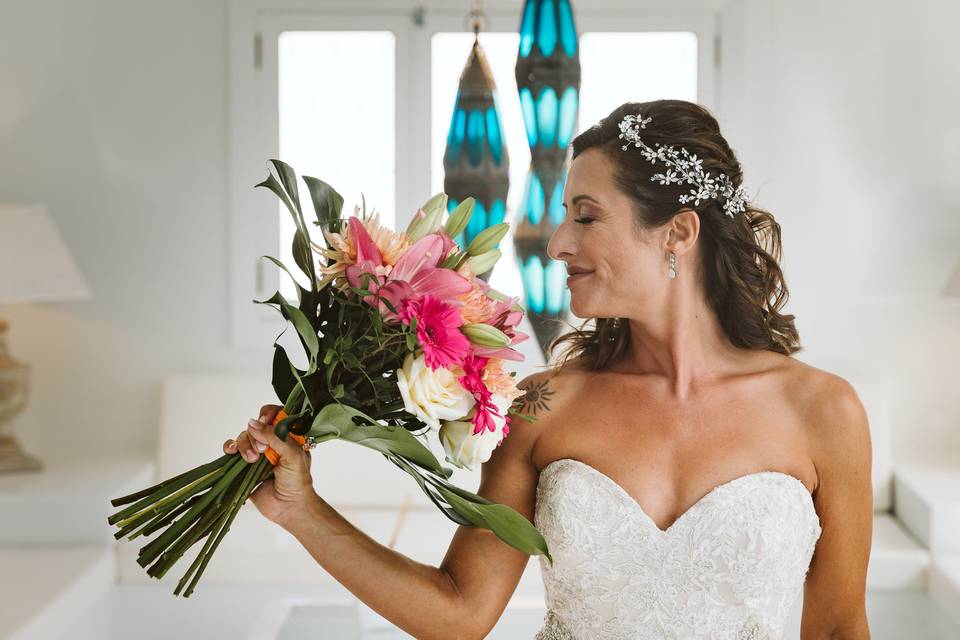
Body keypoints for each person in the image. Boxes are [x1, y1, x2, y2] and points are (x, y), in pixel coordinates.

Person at [225, 99, 873, 639]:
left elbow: (840, 630)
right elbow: (459, 611)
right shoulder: (541, 407)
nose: (558, 243)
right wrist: (301, 510)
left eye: (585, 217)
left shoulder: (822, 412)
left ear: (677, 233)